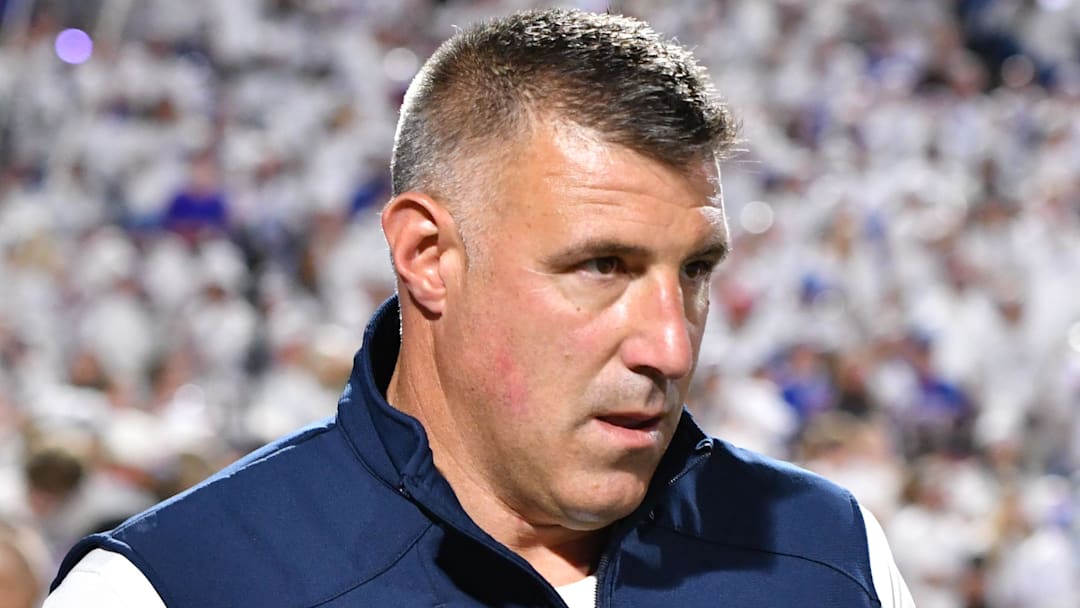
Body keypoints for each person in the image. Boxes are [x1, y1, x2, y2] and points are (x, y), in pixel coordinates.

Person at [45, 9, 914, 607]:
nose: (670, 346)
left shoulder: (827, 552)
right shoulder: (172, 587)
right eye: (602, 265)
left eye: (694, 271)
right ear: (428, 256)